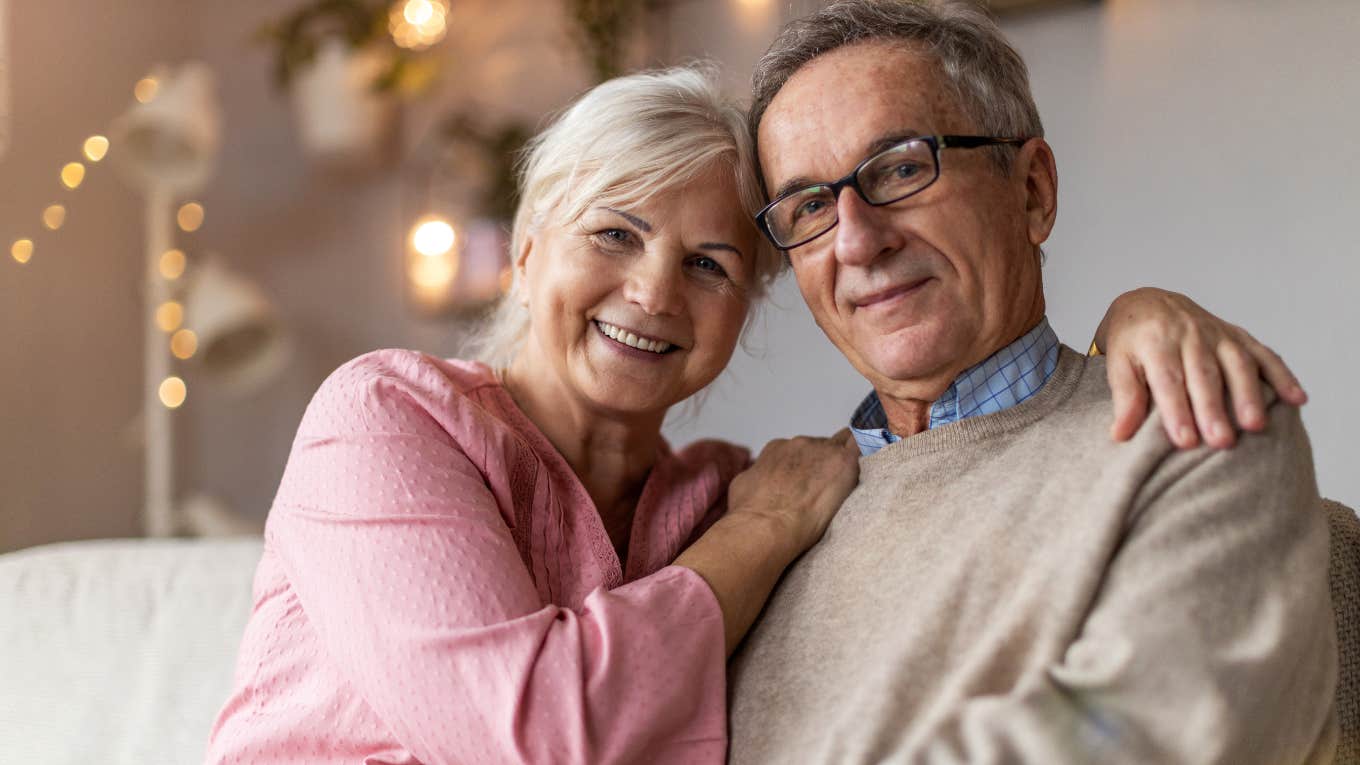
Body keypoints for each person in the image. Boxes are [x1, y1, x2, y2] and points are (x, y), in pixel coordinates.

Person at [205, 63, 1310, 763]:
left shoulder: (729, 490)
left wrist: (1138, 317)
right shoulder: (396, 418)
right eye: (612, 234)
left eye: (711, 262)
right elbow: (534, 735)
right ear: (528, 247)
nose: (651, 293)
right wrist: (761, 533)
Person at [726, 2, 1337, 763]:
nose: (856, 238)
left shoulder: (1194, 418)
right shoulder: (761, 512)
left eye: (903, 167)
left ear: (1033, 191)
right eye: (810, 204)